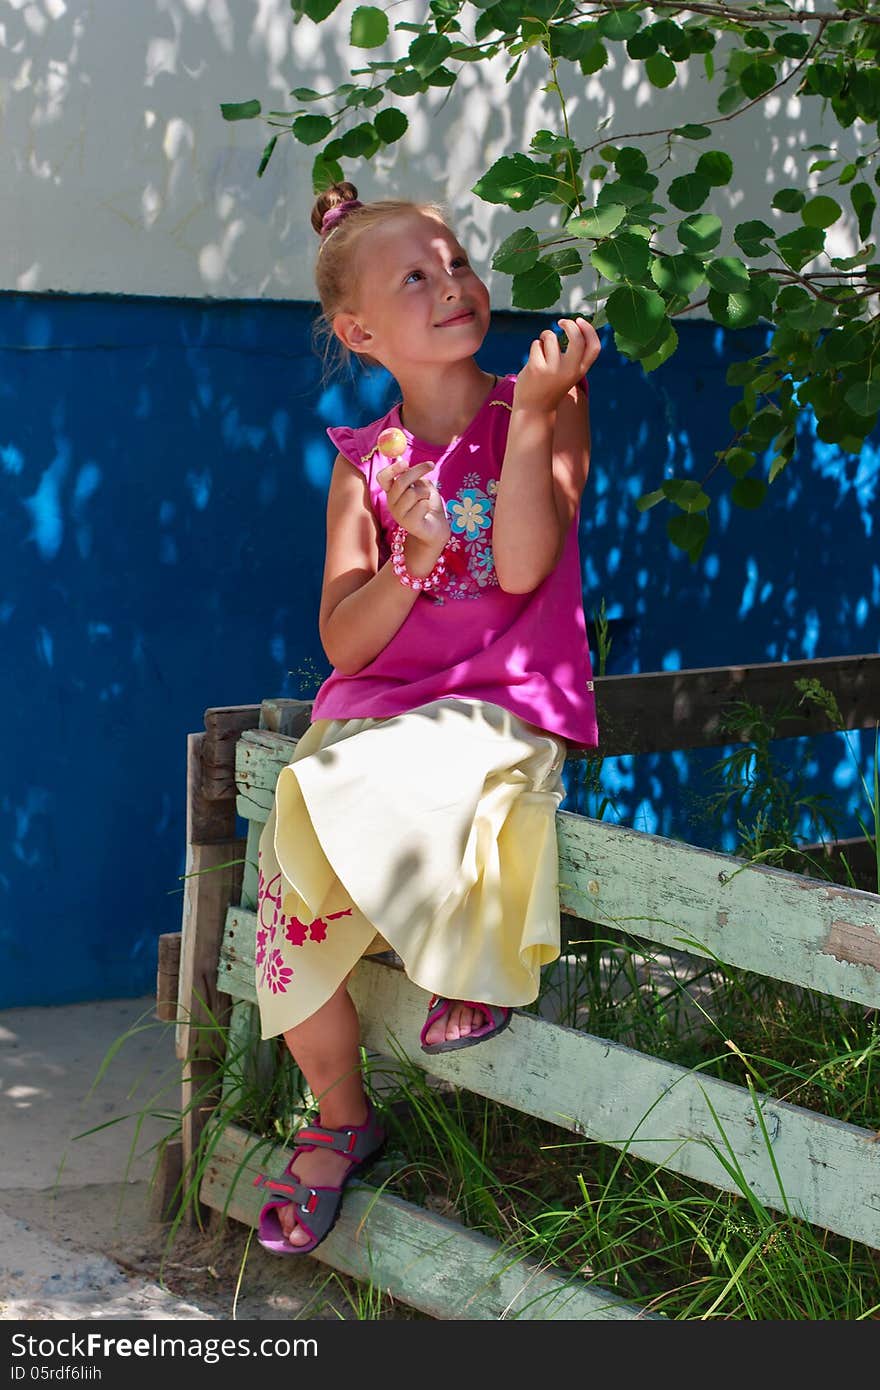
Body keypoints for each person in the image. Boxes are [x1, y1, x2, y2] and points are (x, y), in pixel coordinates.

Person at [252, 181, 601, 1255]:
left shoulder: (541, 406)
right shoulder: (363, 468)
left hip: (499, 702)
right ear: (359, 331)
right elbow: (346, 645)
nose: (452, 282)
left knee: (364, 784)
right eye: (417, 276)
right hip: (381, 709)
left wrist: (538, 412)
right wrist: (404, 564)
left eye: (456, 260)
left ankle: (466, 961)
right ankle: (340, 1112)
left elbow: (522, 563)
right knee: (291, 885)